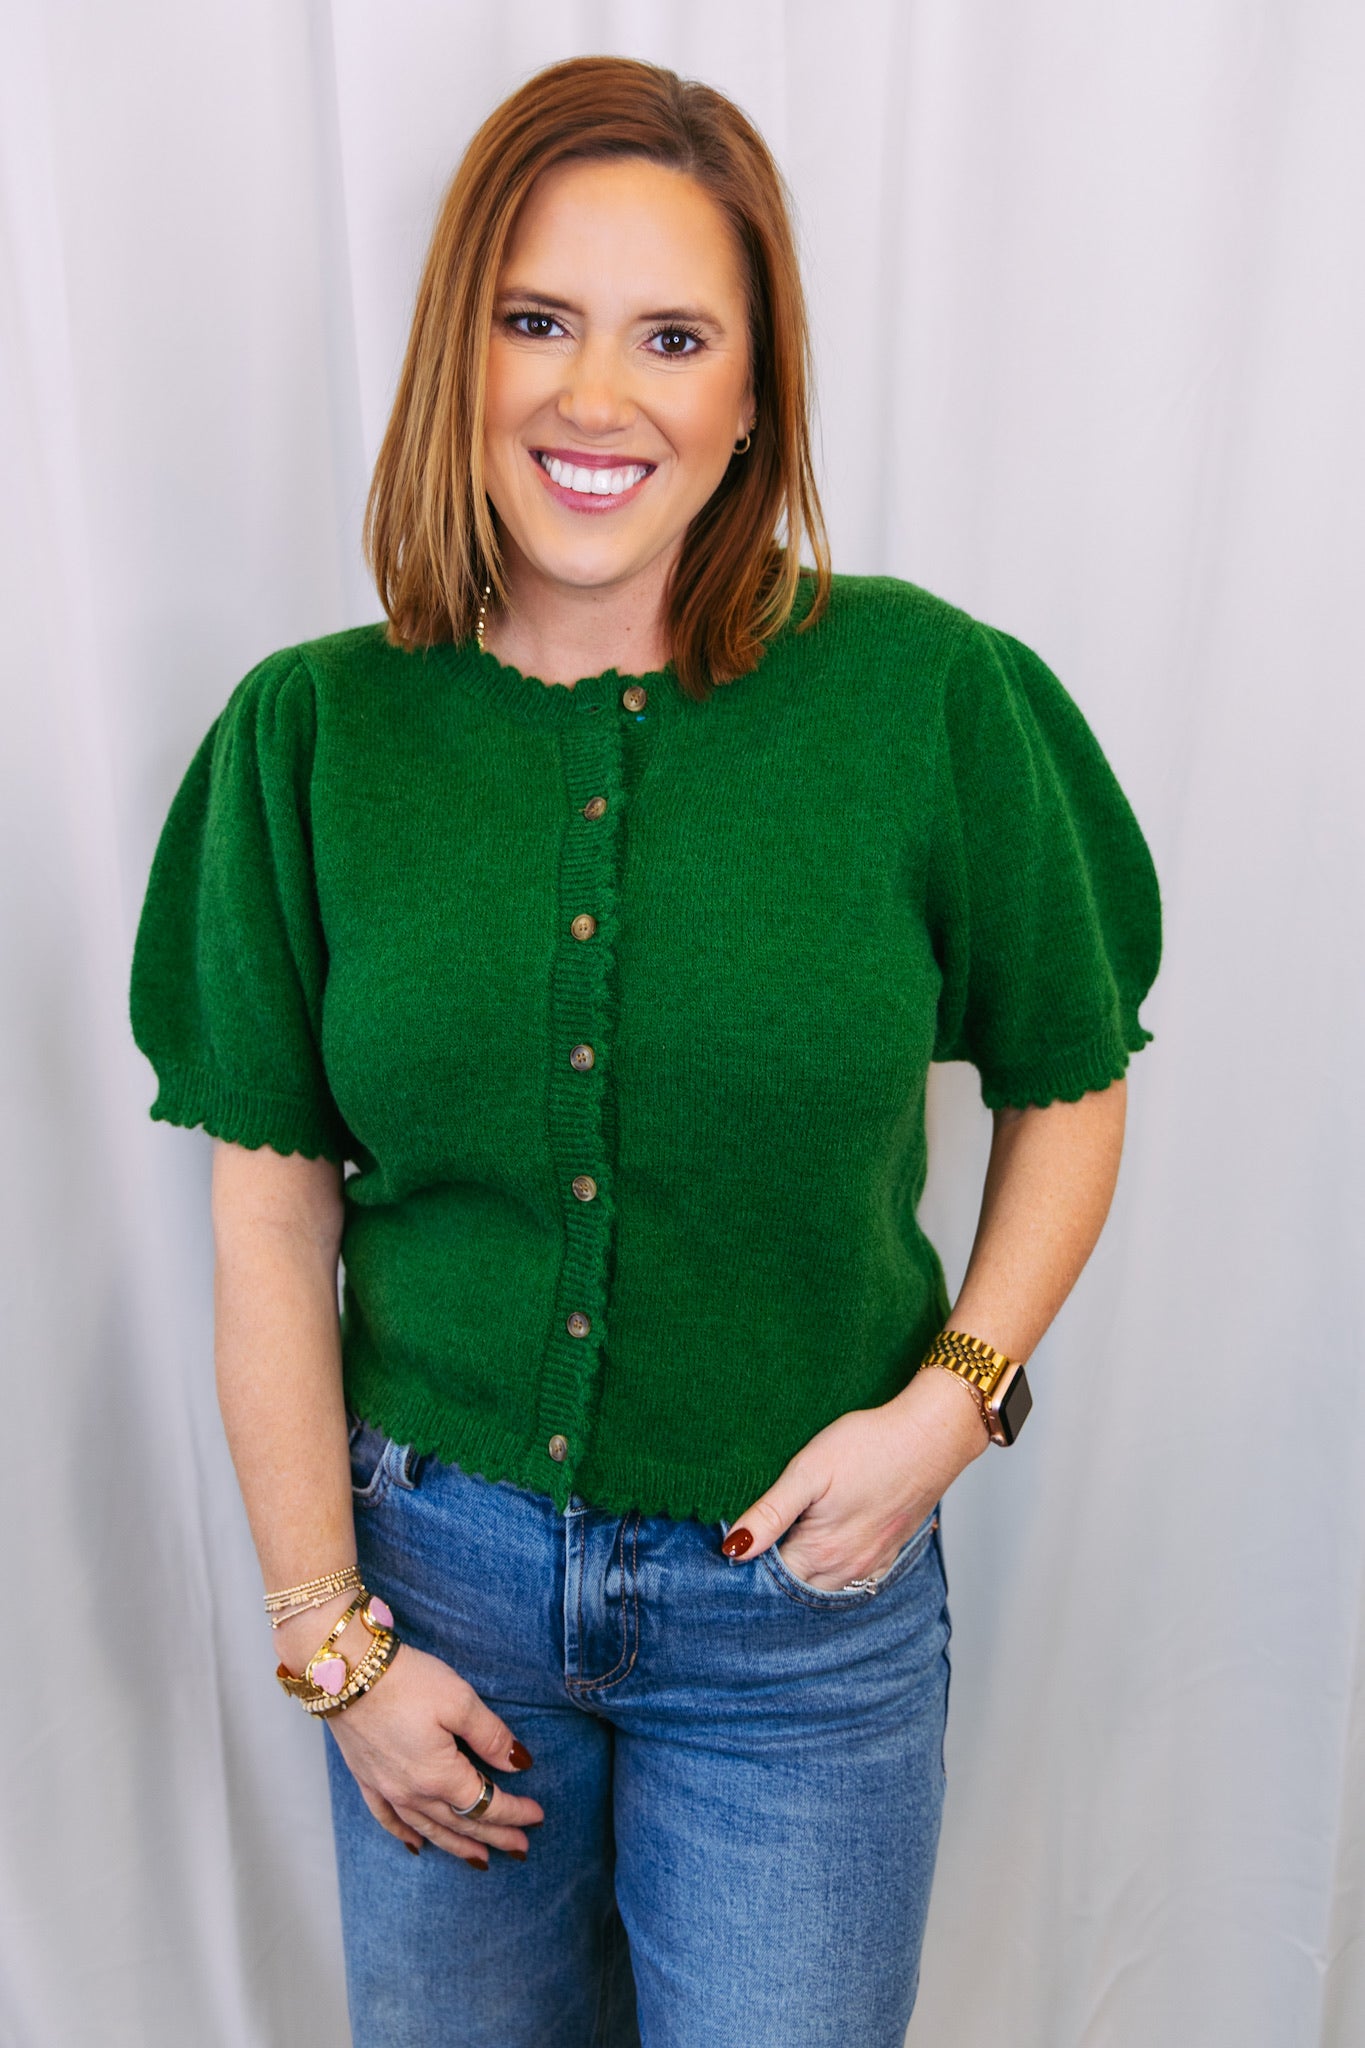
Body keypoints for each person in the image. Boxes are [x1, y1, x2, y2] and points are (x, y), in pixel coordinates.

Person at [129, 52, 1161, 2048]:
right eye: (537, 321)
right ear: (460, 351)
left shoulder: (927, 700)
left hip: (802, 1626)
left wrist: (946, 1408)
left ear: (752, 394)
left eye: (671, 337)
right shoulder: (311, 738)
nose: (593, 396)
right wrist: (334, 1645)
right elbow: (268, 1224)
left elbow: (1068, 1079)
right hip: (433, 1594)